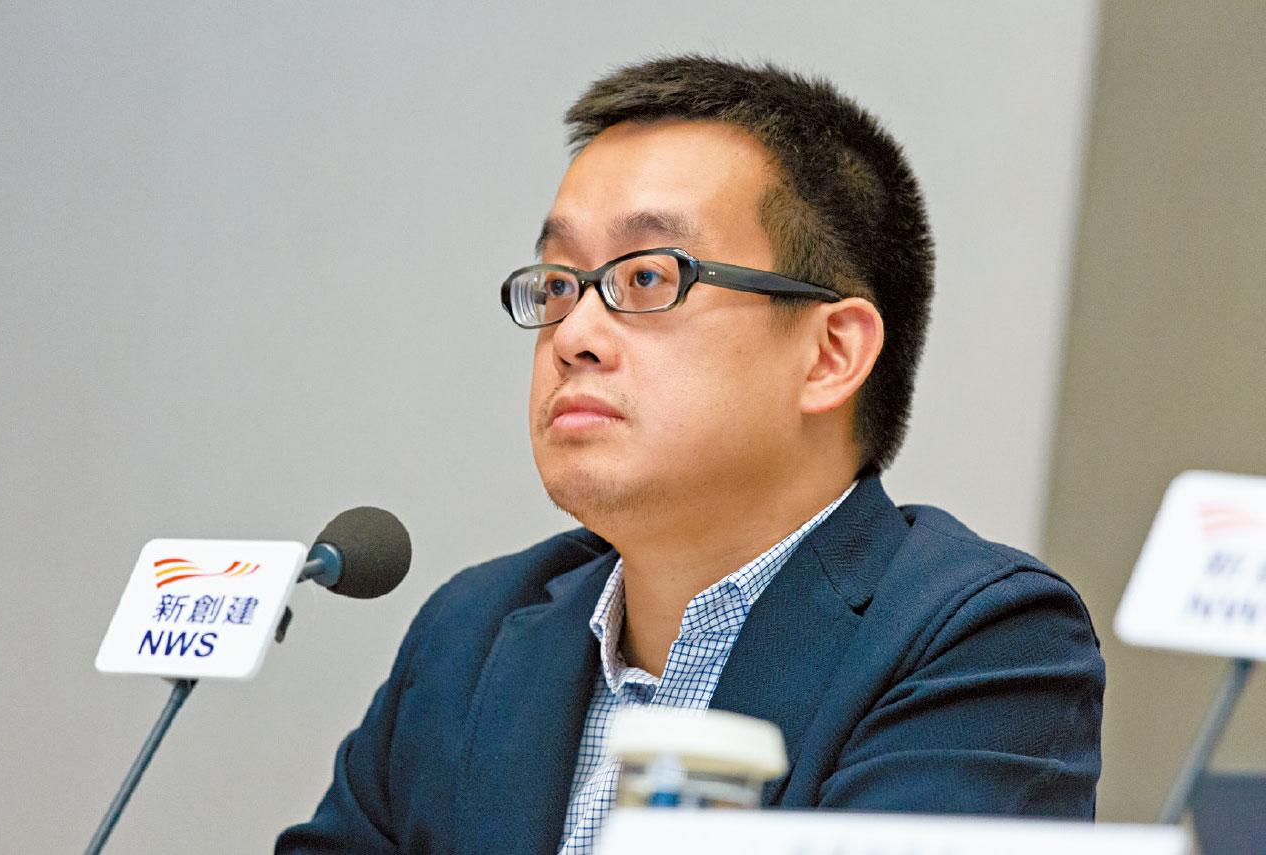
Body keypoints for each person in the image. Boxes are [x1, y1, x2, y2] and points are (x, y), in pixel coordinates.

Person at [278, 56, 1104, 854]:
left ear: (830, 355)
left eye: (647, 277)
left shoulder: (980, 643)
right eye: (559, 284)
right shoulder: (472, 632)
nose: (574, 335)